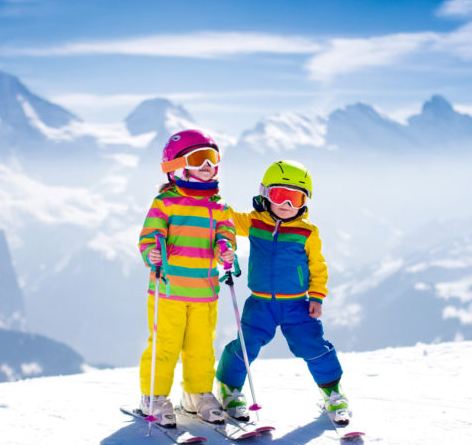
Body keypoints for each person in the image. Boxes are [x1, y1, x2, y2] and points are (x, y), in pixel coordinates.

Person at [215, 160, 350, 424]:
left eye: (295, 199)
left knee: (312, 345)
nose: (287, 206)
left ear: (304, 203)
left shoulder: (307, 232)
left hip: (297, 305)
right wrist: (212, 201)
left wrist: (317, 296)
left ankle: (333, 392)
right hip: (260, 303)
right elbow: (227, 218)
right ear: (265, 194)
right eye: (280, 196)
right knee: (246, 345)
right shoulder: (255, 222)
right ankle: (229, 389)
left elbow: (317, 266)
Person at [138, 129, 236, 426]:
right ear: (178, 165)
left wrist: (226, 249)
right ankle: (153, 397)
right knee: (165, 345)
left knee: (201, 347)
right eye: (200, 159)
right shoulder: (165, 203)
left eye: (212, 158)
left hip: (204, 293)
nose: (208, 166)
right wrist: (152, 252)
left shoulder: (220, 208)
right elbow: (149, 237)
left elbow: (226, 234)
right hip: (168, 290)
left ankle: (197, 395)